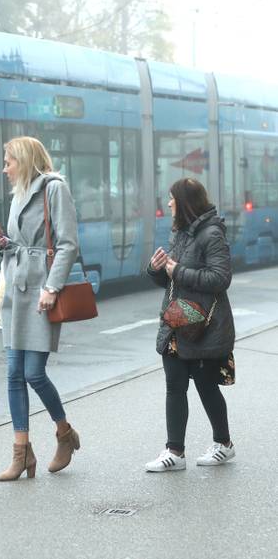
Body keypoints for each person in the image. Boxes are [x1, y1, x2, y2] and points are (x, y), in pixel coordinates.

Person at [0, 136, 80, 481]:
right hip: (16, 287)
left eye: (9, 162)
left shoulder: (54, 189)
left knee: (33, 373)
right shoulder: (19, 194)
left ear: (24, 161)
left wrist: (52, 287)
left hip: (41, 289)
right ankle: (22, 452)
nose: (5, 169)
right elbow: (22, 243)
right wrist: (4, 243)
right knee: (13, 373)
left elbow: (68, 244)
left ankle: (64, 434)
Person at [144, 178, 235, 472]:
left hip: (204, 325)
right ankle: (175, 452)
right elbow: (171, 279)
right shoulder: (181, 233)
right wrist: (157, 269)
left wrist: (178, 270)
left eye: (172, 198)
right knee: (175, 386)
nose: (168, 203)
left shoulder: (211, 234)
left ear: (184, 203)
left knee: (207, 386)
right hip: (177, 321)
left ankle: (223, 444)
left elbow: (221, 279)